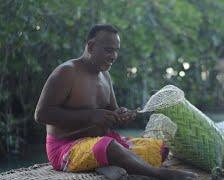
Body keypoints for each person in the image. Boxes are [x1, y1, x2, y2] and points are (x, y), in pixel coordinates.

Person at [34, 24, 197, 180]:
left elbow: (113, 111)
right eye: (108, 50)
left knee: (158, 148)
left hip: (100, 140)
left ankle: (107, 165)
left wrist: (121, 115)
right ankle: (159, 175)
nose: (113, 56)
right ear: (90, 47)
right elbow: (41, 114)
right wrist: (90, 116)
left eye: (116, 51)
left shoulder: (105, 76)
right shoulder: (67, 72)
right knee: (108, 146)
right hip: (65, 148)